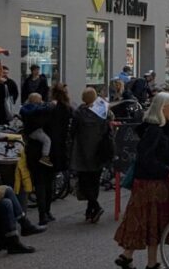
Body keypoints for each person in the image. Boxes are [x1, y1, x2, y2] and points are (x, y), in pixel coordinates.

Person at [114, 92, 169, 269]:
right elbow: (146, 158)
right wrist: (166, 170)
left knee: (147, 222)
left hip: (150, 182)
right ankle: (150, 263)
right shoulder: (154, 131)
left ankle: (132, 257)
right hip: (152, 183)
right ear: (162, 108)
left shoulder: (157, 128)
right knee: (152, 223)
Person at [70, 87, 111, 223]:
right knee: (94, 181)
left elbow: (72, 131)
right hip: (99, 150)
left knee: (84, 182)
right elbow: (107, 129)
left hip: (82, 151)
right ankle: (90, 210)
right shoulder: (102, 112)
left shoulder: (79, 113)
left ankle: (95, 207)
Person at [42, 83, 75, 224]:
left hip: (47, 146)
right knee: (51, 179)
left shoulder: (49, 107)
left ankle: (44, 211)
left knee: (44, 180)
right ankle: (47, 210)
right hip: (59, 147)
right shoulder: (67, 108)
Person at [19, 93, 52, 166]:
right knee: (47, 140)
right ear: (36, 101)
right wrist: (49, 105)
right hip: (34, 130)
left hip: (29, 130)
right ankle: (45, 157)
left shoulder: (25, 107)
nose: (42, 101)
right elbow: (41, 110)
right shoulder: (35, 109)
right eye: (40, 100)